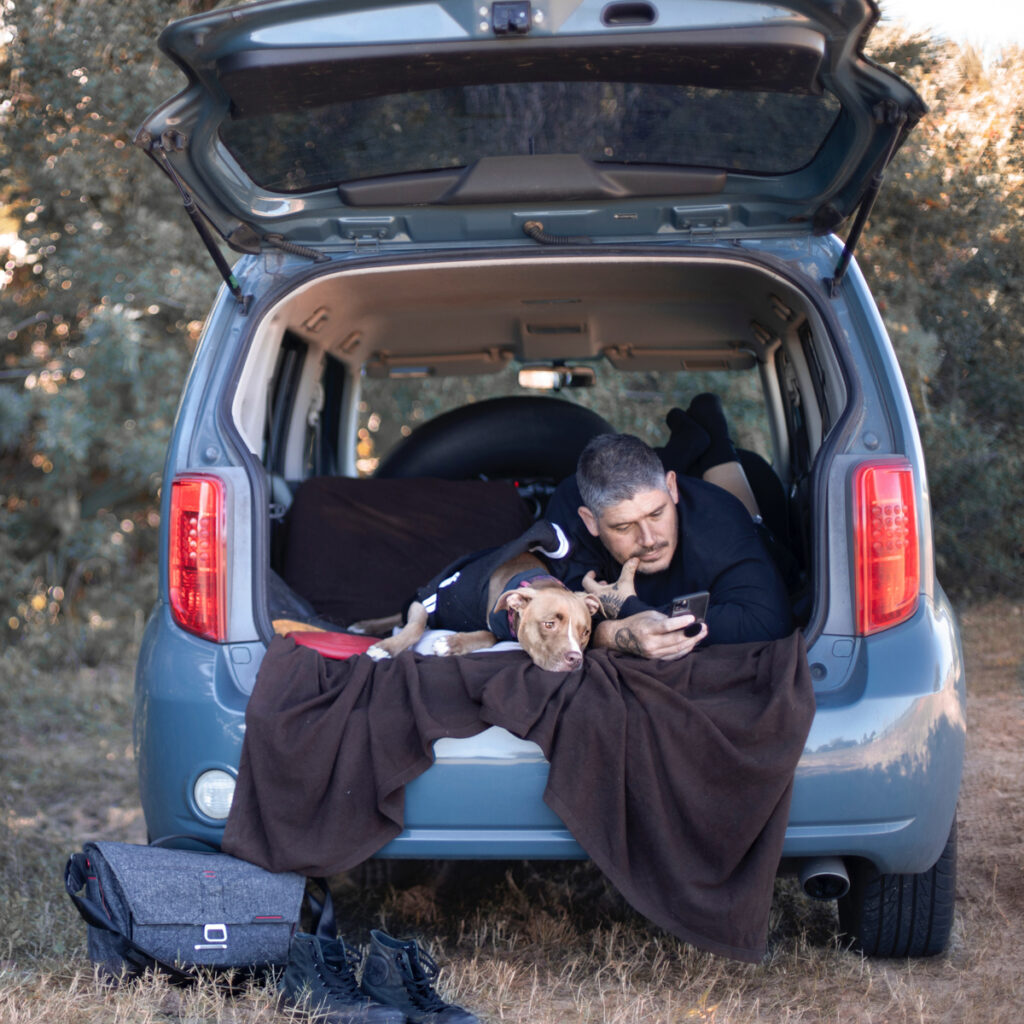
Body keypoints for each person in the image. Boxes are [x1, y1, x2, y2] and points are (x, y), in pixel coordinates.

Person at [543, 427, 792, 659]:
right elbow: (556, 623)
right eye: (623, 527)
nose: (649, 539)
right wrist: (611, 634)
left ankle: (714, 434)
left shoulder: (718, 517)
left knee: (754, 517)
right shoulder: (570, 516)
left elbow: (766, 623)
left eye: (656, 514)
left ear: (671, 487)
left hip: (765, 547)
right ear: (591, 521)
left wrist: (630, 610)